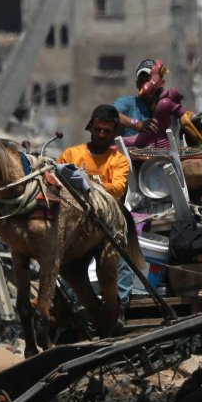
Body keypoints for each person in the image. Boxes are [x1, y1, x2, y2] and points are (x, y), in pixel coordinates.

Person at [57, 104, 136, 304]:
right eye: (97, 130)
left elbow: (118, 188)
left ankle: (120, 307)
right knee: (64, 259)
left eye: (106, 132)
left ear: (114, 133)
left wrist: (86, 183)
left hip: (109, 220)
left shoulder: (119, 161)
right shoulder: (71, 155)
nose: (101, 135)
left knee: (123, 261)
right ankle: (70, 305)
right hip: (76, 221)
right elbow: (56, 180)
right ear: (90, 128)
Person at [114, 58, 184, 149]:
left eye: (149, 81)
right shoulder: (128, 103)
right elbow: (109, 114)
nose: (145, 85)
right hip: (132, 159)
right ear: (137, 84)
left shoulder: (168, 104)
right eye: (141, 81)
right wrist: (138, 124)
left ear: (161, 83)